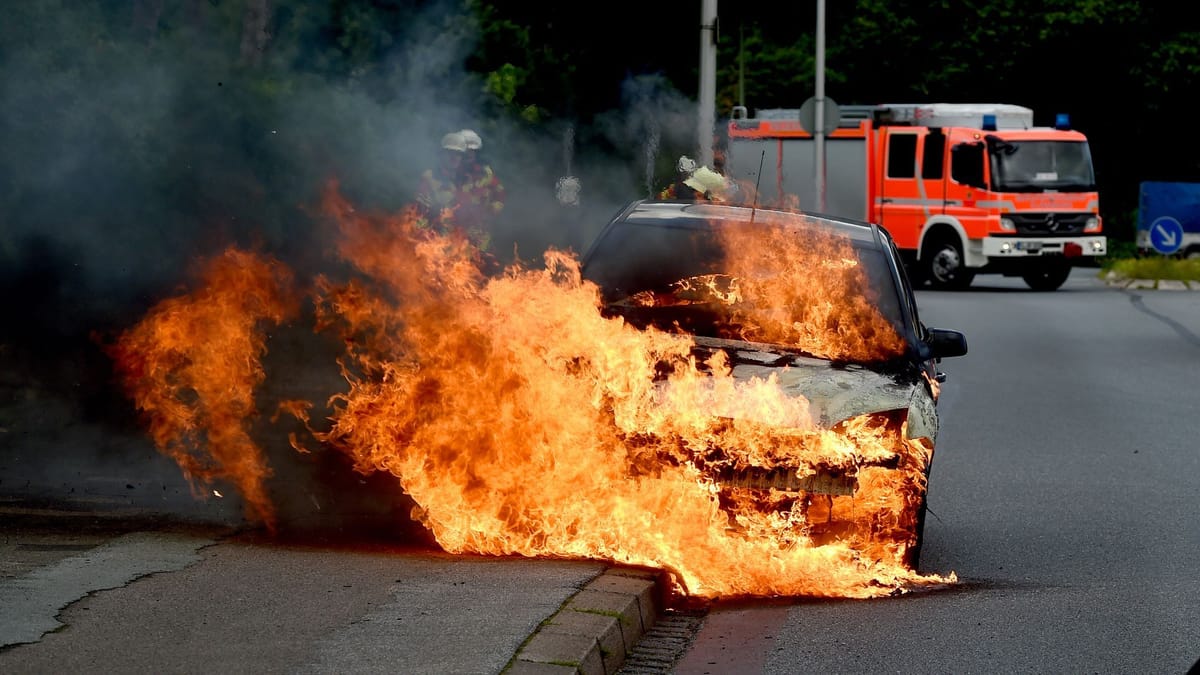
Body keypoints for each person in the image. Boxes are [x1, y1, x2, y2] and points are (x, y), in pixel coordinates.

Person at [415, 129, 505, 256]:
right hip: (442, 248)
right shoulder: (430, 178)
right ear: (441, 154)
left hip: (473, 247)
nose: (454, 158)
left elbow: (493, 196)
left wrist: (489, 212)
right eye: (450, 153)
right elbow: (420, 215)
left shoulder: (469, 177)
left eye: (458, 154)